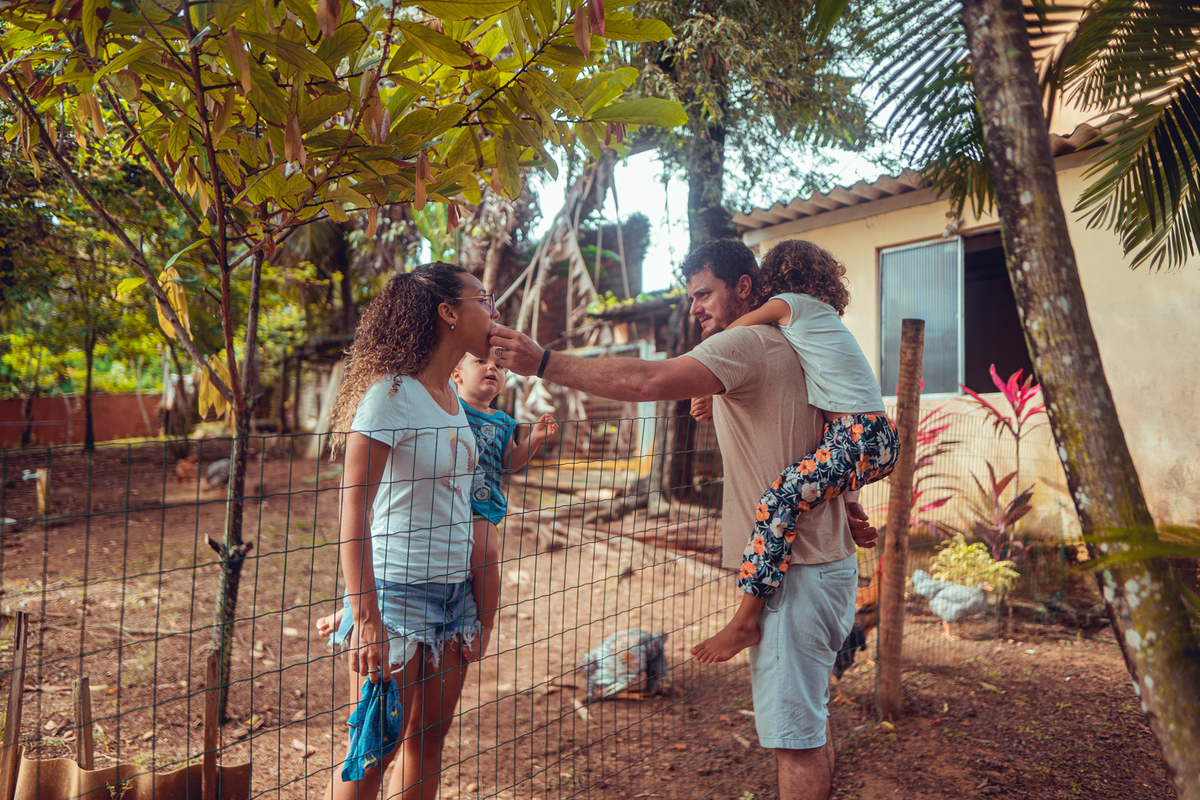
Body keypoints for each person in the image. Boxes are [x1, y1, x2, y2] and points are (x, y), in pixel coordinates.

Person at [489, 238, 877, 800]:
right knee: (809, 725)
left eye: (704, 294)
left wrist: (543, 363)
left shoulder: (746, 341)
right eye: (690, 297)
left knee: (796, 741)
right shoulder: (798, 348)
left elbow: (646, 382)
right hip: (827, 566)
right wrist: (851, 506)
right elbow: (824, 445)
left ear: (745, 287)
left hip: (795, 577)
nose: (694, 308)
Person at [323, 261, 498, 800]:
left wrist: (478, 604)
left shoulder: (452, 399)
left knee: (428, 743)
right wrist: (365, 618)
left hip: (454, 600)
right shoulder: (390, 395)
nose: (493, 311)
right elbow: (353, 509)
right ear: (448, 313)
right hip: (394, 599)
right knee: (373, 753)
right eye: (483, 299)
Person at [690, 239, 898, 663]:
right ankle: (750, 613)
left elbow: (738, 329)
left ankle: (746, 620)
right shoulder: (819, 325)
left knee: (778, 499)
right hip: (868, 437)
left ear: (775, 277)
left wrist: (707, 376)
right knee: (795, 493)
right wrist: (848, 500)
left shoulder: (790, 306)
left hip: (859, 435)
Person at [452, 350, 558, 660]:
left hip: (483, 505)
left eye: (499, 366)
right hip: (442, 501)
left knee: (486, 556)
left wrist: (534, 439)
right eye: (481, 362)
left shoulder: (503, 421)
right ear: (456, 375)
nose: (492, 368)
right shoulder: (447, 408)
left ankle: (483, 627)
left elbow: (509, 462)